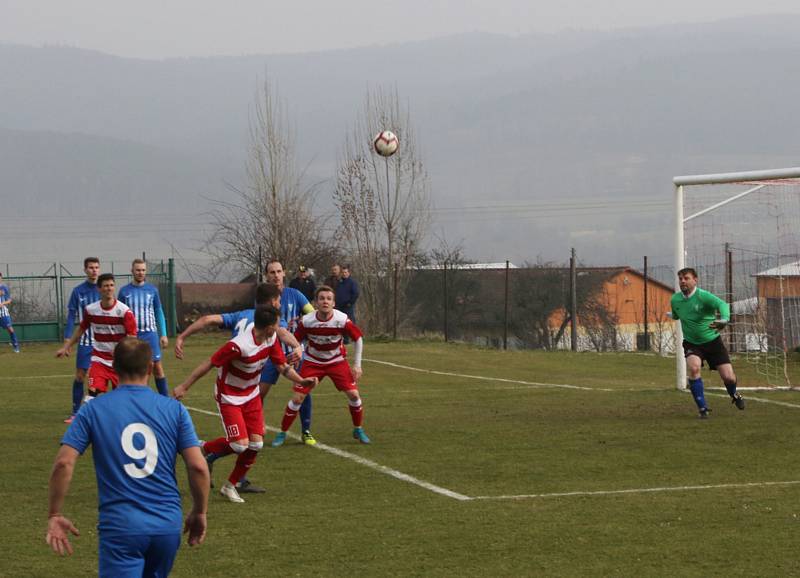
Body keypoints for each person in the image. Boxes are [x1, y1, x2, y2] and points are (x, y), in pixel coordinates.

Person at [45, 337, 209, 576]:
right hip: (167, 525)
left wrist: (54, 513)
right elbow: (198, 467)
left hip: (122, 526)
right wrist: (200, 511)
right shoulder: (175, 410)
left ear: (114, 368)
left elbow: (63, 463)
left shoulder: (92, 409)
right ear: (151, 369)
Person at [173, 305, 317, 503]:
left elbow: (282, 366)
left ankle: (229, 486)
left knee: (256, 443)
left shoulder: (271, 338)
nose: (279, 330)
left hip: (251, 395)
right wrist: (184, 386)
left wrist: (301, 381)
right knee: (239, 445)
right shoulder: (238, 346)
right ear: (267, 328)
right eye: (276, 325)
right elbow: (209, 363)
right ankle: (203, 447)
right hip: (229, 396)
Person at [273, 285, 370, 446]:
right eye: (322, 298)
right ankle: (282, 433)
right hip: (313, 362)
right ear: (316, 303)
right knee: (298, 397)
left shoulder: (341, 319)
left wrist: (357, 365)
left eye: (329, 299)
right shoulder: (307, 320)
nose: (325, 301)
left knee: (354, 395)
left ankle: (358, 429)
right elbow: (296, 340)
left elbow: (358, 338)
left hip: (337, 362)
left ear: (333, 303)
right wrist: (298, 351)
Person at [671, 267, 745, 418]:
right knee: (694, 368)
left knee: (728, 377)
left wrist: (724, 319)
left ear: (695, 280)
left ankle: (734, 394)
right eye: (681, 279)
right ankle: (703, 409)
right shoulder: (675, 299)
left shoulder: (703, 296)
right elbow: (676, 315)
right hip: (692, 343)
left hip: (713, 342)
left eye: (686, 278)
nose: (683, 281)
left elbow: (723, 305)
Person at [57, 273, 138, 399]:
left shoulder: (124, 312)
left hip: (119, 362)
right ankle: (88, 416)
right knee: (93, 391)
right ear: (99, 289)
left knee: (122, 398)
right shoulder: (91, 310)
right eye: (105, 286)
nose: (109, 288)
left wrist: (123, 354)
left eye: (111, 285)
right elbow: (81, 329)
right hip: (99, 359)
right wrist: (66, 346)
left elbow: (132, 338)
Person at [264, 260, 318, 444]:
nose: (276, 275)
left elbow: (312, 315)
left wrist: (301, 346)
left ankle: (306, 431)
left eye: (279, 271)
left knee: (304, 389)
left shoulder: (295, 294)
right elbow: (274, 327)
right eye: (272, 272)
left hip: (296, 353)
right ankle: (254, 428)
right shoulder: (262, 298)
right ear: (266, 276)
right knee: (260, 392)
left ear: (284, 273)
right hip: (270, 354)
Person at [119, 259, 170, 396]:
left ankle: (165, 401)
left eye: (143, 270)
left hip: (150, 334)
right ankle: (142, 400)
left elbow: (159, 312)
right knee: (140, 371)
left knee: (157, 368)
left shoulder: (152, 290)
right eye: (138, 270)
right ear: (132, 271)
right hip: (133, 337)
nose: (140, 273)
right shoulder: (124, 291)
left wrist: (163, 334)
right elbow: (120, 315)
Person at [62, 257, 101, 424]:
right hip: (85, 341)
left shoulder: (104, 289)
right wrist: (67, 340)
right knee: (80, 376)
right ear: (85, 270)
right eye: (91, 267)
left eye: (96, 267)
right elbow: (71, 316)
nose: (94, 270)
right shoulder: (78, 291)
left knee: (98, 378)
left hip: (103, 341)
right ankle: (75, 412)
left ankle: (95, 411)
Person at [0, 272, 20, 352]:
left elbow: (9, 300)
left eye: (0, 277)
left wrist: (2, 304)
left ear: (1, 278)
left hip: (3, 312)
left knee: (10, 330)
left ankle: (16, 346)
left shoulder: (4, 288)